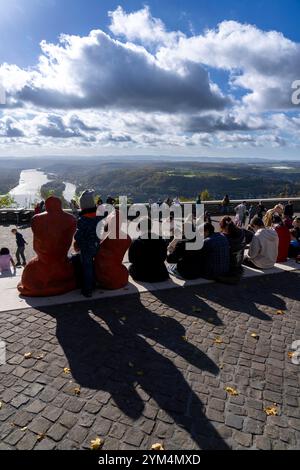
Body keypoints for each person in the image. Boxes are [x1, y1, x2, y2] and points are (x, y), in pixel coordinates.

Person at [18, 196, 77, 297]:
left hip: (44, 260)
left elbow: (36, 240)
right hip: (61, 261)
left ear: (46, 206)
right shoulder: (71, 219)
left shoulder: (36, 219)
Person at [74, 190, 102, 297]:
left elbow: (78, 236)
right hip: (97, 245)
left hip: (86, 247)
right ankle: (96, 282)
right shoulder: (99, 216)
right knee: (95, 265)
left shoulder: (82, 219)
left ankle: (88, 289)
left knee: (87, 267)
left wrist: (78, 242)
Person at [129, 217, 169, 283]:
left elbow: (131, 260)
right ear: (151, 226)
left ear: (139, 228)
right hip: (161, 274)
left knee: (130, 267)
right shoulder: (161, 240)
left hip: (142, 275)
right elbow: (164, 257)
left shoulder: (135, 242)